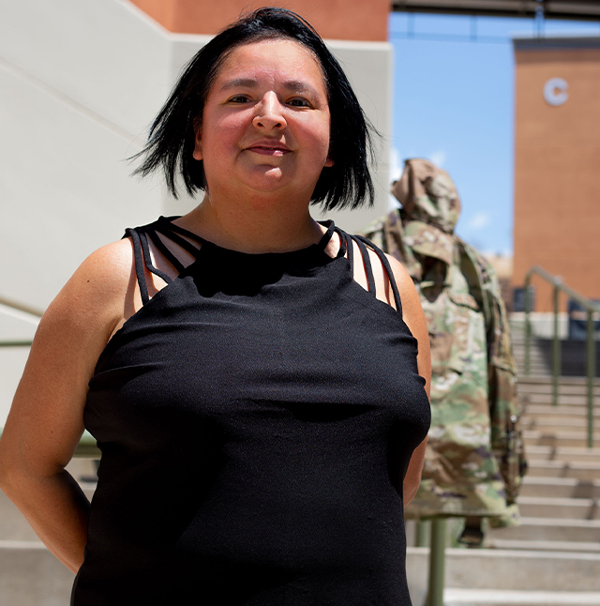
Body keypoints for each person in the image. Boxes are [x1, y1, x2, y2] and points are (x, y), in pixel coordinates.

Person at [0, 8, 431, 605]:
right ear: (197, 135)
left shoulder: (388, 284)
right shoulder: (120, 277)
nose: (270, 115)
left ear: (333, 142)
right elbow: (27, 467)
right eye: (240, 96)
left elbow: (393, 479)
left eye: (300, 101)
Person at [362, 158, 526, 541]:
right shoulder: (473, 266)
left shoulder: (367, 248)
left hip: (378, 453)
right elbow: (501, 369)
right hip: (465, 458)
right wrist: (507, 464)